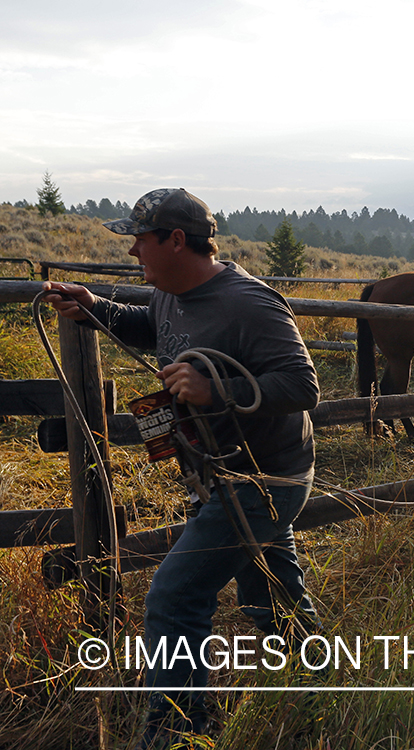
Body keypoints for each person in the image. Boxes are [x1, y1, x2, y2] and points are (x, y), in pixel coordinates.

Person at [43, 188, 320, 748]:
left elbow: (303, 385)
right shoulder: (170, 293)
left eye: (140, 240)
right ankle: (323, 684)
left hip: (261, 480)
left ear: (175, 240)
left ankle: (174, 735)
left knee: (173, 598)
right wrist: (95, 308)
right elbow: (155, 329)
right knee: (271, 598)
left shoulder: (249, 303)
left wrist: (216, 388)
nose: (133, 252)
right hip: (220, 473)